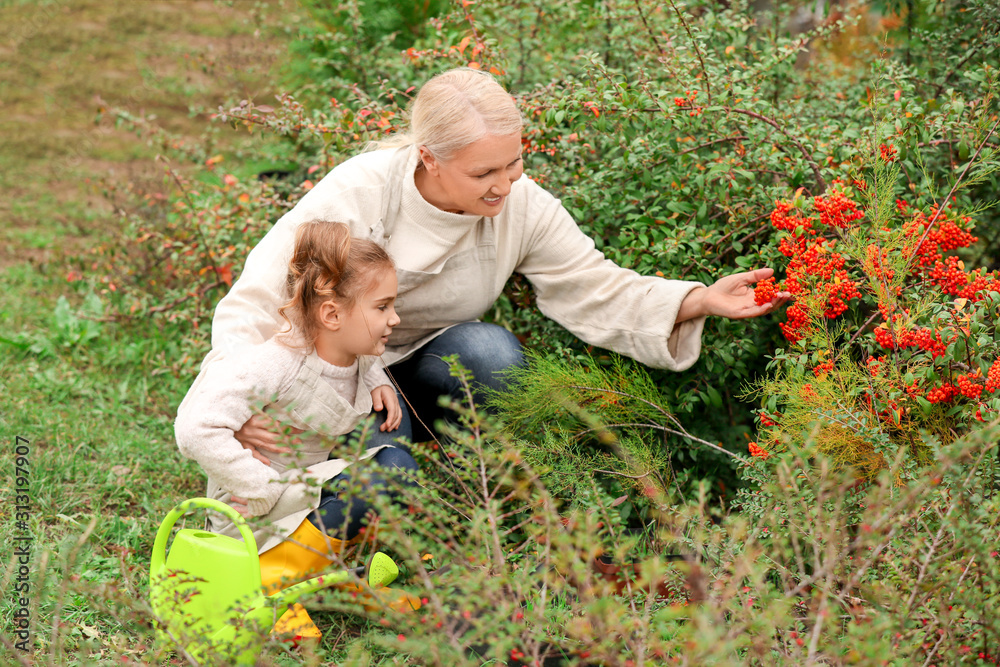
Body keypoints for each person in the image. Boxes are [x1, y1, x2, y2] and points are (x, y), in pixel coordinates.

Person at [203, 66, 789, 460]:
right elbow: (260, 297)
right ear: (429, 158)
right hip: (338, 370)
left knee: (494, 355)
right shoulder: (358, 193)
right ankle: (358, 494)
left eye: (513, 164)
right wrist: (242, 403)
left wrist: (700, 299)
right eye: (484, 173)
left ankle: (472, 481)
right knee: (383, 464)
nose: (505, 185)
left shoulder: (522, 203)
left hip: (430, 365)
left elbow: (593, 284)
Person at [174, 220, 418, 598]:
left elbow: (359, 363)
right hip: (253, 508)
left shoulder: (354, 354)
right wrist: (259, 485)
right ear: (332, 316)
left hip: (303, 491)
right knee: (393, 468)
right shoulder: (279, 362)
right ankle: (264, 582)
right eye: (383, 307)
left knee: (394, 448)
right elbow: (194, 428)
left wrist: (378, 380)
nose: (395, 318)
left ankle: (326, 567)